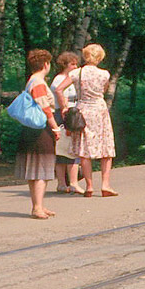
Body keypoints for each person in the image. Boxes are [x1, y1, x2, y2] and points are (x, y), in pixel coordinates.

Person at [15, 49, 61, 220]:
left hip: (30, 129)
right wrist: (55, 127)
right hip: (40, 130)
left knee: (35, 168)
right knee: (42, 168)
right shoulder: (39, 82)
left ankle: (38, 204)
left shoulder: (31, 81)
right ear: (46, 64)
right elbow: (45, 108)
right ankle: (37, 207)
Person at [70, 43, 117, 197]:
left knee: (84, 149)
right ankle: (105, 185)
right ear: (99, 57)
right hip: (99, 110)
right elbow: (103, 90)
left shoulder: (76, 73)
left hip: (83, 110)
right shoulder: (104, 74)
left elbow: (58, 88)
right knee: (106, 147)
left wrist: (65, 107)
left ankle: (89, 186)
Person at [50, 51, 83, 194]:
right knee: (66, 149)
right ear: (65, 65)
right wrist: (64, 108)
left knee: (69, 148)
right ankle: (66, 183)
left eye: (76, 63)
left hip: (73, 113)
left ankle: (67, 182)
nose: (75, 66)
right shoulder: (59, 79)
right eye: (72, 64)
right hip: (64, 115)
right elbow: (59, 93)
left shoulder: (73, 79)